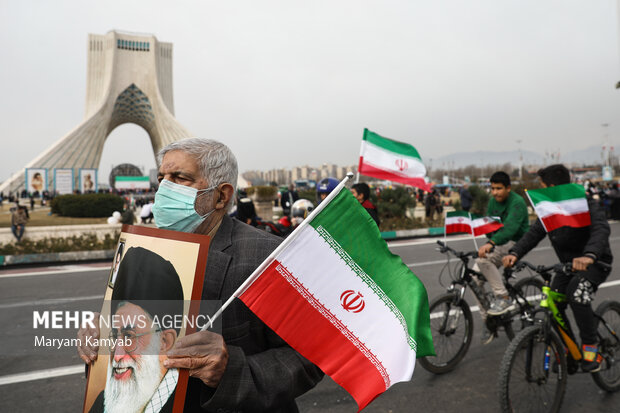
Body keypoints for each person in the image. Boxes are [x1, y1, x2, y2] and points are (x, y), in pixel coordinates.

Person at [78, 138, 322, 412]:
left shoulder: (266, 257)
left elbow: (308, 358)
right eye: (162, 178)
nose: (165, 189)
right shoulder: (142, 249)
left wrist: (229, 370)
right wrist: (99, 335)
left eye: (180, 178)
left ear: (221, 195)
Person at [503, 164, 613, 373]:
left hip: (595, 262)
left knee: (577, 294)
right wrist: (515, 253)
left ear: (552, 186)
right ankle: (570, 351)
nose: (540, 189)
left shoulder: (583, 202)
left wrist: (589, 255)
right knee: (554, 303)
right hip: (567, 266)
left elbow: (601, 228)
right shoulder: (549, 206)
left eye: (542, 186)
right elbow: (535, 232)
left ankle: (591, 347)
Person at [89, 247, 184, 413]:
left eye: (129, 337)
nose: (117, 356)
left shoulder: (188, 400)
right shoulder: (102, 403)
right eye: (114, 336)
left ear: (164, 341)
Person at [475, 171, 529, 343]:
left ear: (508, 188)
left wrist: (491, 243)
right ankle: (488, 321)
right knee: (475, 279)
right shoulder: (492, 202)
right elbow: (490, 225)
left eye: (499, 188)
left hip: (516, 242)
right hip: (498, 242)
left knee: (483, 260)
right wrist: (486, 235)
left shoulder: (517, 202)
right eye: (492, 189)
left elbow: (510, 229)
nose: (495, 192)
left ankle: (503, 297)